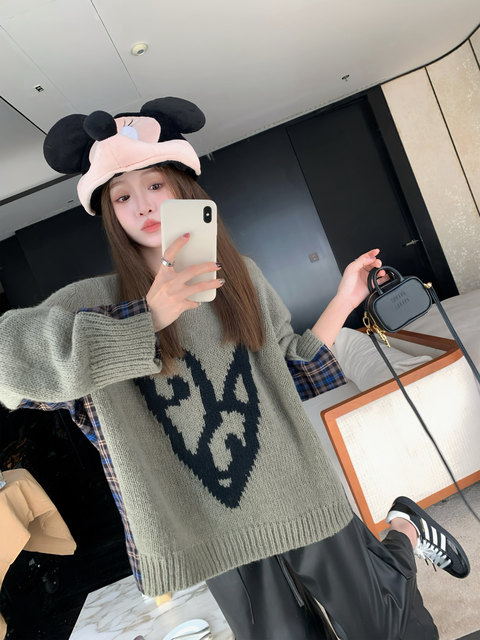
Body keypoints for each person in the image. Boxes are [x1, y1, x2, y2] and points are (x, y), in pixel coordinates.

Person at [0, 97, 469, 640]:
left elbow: (291, 364)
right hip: (205, 524)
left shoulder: (241, 274)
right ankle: (404, 531)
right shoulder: (90, 301)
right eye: (122, 196)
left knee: (383, 629)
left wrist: (346, 297)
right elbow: (10, 366)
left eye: (155, 184)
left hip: (295, 487)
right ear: (109, 213)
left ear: (183, 188)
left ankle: (404, 528)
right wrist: (146, 318)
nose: (142, 205)